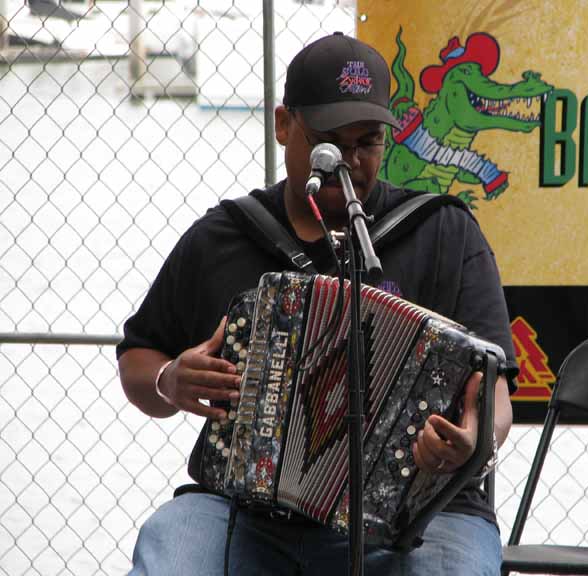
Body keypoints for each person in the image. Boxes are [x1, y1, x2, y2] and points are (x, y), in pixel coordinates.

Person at [117, 31, 516, 575]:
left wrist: (471, 442)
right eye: (330, 143)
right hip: (250, 512)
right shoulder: (223, 237)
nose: (350, 161)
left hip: (420, 519)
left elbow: (493, 391)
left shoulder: (444, 231)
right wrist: (170, 380)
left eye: (368, 142)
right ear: (284, 126)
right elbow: (139, 355)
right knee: (172, 550)